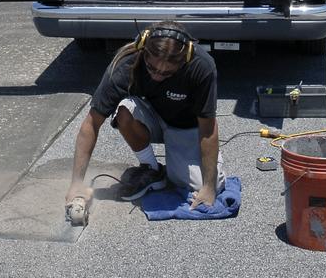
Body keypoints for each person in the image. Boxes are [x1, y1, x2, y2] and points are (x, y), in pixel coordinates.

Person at [65, 21, 224, 220]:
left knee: (205, 186)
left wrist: (208, 187)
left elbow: (208, 129)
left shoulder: (202, 66)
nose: (158, 75)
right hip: (151, 119)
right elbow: (91, 123)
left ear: (185, 60)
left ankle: (189, 169)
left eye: (167, 73)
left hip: (185, 127)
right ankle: (152, 169)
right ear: (143, 50)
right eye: (152, 68)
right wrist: (76, 184)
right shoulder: (125, 64)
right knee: (125, 110)